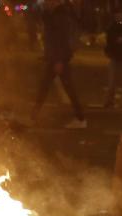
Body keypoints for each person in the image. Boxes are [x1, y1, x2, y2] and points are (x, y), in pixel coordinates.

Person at [32, 0, 87, 129]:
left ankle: (81, 119)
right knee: (45, 87)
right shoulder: (55, 14)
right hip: (55, 58)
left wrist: (59, 61)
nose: (45, 2)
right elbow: (50, 33)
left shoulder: (61, 16)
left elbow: (60, 40)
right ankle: (33, 115)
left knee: (66, 88)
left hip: (58, 59)